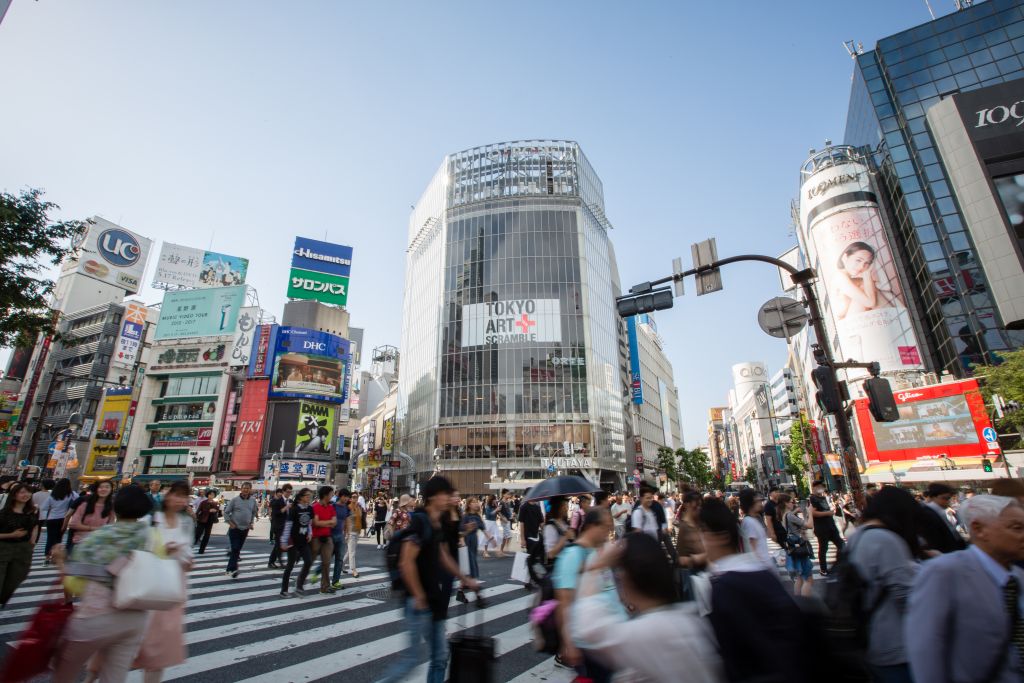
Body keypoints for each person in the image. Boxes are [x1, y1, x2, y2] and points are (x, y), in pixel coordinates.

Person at [573, 533, 725, 683]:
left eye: (619, 572)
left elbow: (591, 629)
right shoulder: (687, 618)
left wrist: (596, 566)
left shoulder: (649, 631)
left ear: (627, 577)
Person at [906, 495, 1024, 683]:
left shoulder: (1017, 576)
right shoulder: (944, 573)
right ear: (979, 529)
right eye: (1016, 528)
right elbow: (927, 649)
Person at [376, 476, 479, 683]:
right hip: (418, 601)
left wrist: (464, 578)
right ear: (433, 497)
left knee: (440, 656)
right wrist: (419, 595)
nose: (449, 498)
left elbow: (443, 555)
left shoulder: (435, 522)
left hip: (431, 598)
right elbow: (406, 562)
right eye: (445, 494)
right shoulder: (421, 521)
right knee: (411, 660)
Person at [698, 497, 810, 683]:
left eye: (703, 533)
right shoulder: (760, 572)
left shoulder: (725, 587)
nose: (700, 540)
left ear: (721, 537)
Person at [52, 485, 154, 683]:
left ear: (115, 506)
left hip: (96, 616)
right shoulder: (151, 537)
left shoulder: (100, 537)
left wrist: (60, 561)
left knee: (63, 674)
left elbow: (74, 585)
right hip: (135, 618)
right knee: (114, 678)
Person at [844, 487, 924, 683]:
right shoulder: (886, 539)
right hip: (896, 643)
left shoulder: (857, 535)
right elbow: (905, 595)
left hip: (869, 638)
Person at [133, 481, 195, 683]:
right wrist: (162, 552)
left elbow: (188, 553)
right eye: (176, 494)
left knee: (160, 646)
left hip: (172, 588)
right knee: (137, 642)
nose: (179, 500)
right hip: (146, 585)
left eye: (184, 496)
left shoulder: (185, 522)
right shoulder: (150, 520)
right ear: (167, 496)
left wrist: (187, 561)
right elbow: (135, 550)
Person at [553, 507, 614, 680]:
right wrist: (569, 643)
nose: (608, 532)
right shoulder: (573, 555)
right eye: (606, 527)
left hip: (606, 638)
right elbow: (564, 603)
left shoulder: (597, 552)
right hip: (588, 642)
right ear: (592, 526)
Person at [0, 483, 39, 606]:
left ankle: (3, 601)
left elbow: (35, 525)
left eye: (28, 492)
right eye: (22, 492)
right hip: (3, 547)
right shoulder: (4, 513)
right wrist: (11, 535)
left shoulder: (32, 512)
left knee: (16, 579)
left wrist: (33, 541)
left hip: (23, 549)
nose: (25, 495)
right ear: (14, 494)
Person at [777, 493, 814, 597]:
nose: (793, 503)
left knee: (800, 578)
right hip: (800, 548)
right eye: (791, 501)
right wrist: (810, 513)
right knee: (808, 579)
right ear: (786, 503)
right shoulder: (790, 515)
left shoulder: (784, 515)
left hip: (794, 549)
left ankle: (798, 602)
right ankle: (806, 605)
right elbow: (809, 525)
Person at [279, 487, 315, 597]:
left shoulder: (310, 508)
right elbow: (288, 525)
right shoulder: (294, 509)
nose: (309, 497)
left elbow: (309, 523)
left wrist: (310, 533)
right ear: (301, 497)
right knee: (290, 565)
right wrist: (284, 541)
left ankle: (299, 585)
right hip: (293, 540)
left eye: (310, 496)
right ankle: (284, 590)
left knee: (308, 561)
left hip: (304, 540)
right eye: (307, 496)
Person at [917, 482, 967, 555]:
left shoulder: (939, 511)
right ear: (933, 497)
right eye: (944, 498)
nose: (947, 501)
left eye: (948, 498)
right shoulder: (927, 514)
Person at [809, 480, 844, 575]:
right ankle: (823, 569)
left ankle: (841, 565)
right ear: (814, 488)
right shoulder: (813, 498)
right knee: (824, 549)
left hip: (831, 525)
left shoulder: (823, 497)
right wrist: (827, 513)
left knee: (841, 544)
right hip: (822, 528)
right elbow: (814, 513)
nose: (821, 488)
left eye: (822, 486)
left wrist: (830, 510)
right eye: (819, 486)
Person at [223, 482, 258, 578]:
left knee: (237, 549)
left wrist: (251, 523)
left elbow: (253, 512)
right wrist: (231, 524)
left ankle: (233, 569)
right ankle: (230, 569)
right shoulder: (234, 500)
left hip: (245, 529)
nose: (246, 490)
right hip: (235, 528)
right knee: (235, 548)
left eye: (248, 488)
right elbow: (226, 513)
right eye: (244, 488)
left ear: (250, 490)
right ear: (241, 489)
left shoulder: (253, 501)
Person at [68, 478, 114, 545]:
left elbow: (110, 527)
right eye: (100, 487)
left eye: (107, 487)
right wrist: (96, 529)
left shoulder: (111, 507)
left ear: (111, 490)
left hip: (99, 544)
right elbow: (73, 524)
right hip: (81, 543)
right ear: (96, 490)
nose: (104, 489)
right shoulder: (85, 505)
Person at [309, 486, 337, 594]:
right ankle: (299, 583)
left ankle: (325, 586)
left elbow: (334, 522)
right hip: (315, 538)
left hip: (327, 537)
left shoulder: (331, 507)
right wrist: (328, 522)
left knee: (326, 562)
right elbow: (316, 523)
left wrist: (324, 522)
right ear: (325, 495)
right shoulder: (315, 506)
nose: (332, 496)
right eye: (331, 494)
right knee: (309, 561)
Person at [40, 477, 75, 563]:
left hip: (51, 519)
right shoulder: (71, 494)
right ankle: (55, 557)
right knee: (59, 538)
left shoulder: (53, 495)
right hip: (63, 519)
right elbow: (76, 502)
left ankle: (47, 557)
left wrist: (52, 508)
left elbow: (44, 507)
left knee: (50, 538)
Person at [738, 489, 774, 570]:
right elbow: (752, 547)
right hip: (761, 567)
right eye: (758, 501)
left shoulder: (755, 519)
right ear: (751, 503)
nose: (761, 504)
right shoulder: (749, 522)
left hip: (764, 565)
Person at [518, 493, 544, 590]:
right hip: (528, 536)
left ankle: (529, 580)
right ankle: (527, 581)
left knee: (533, 559)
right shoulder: (524, 507)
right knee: (531, 558)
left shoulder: (537, 507)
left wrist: (546, 530)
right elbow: (522, 523)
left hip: (536, 535)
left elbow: (541, 522)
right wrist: (522, 538)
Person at [268, 484, 292, 568]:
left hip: (286, 527)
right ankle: (279, 562)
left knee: (279, 545)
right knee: (278, 545)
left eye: (290, 492)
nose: (289, 494)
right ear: (283, 492)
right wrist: (286, 508)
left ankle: (272, 561)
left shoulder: (290, 501)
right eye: (287, 492)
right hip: (278, 526)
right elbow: (275, 513)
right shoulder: (277, 501)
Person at [543, 496, 572, 567]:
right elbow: (550, 554)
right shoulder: (550, 526)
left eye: (567, 506)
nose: (566, 509)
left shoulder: (565, 523)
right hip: (557, 567)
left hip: (567, 564)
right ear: (558, 508)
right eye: (564, 506)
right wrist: (565, 537)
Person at [461, 497, 484, 582]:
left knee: (472, 557)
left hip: (474, 539)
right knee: (469, 559)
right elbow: (461, 529)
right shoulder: (465, 516)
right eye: (473, 502)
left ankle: (467, 579)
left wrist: (490, 538)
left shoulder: (477, 516)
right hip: (467, 538)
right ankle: (470, 579)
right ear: (469, 504)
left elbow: (483, 527)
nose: (476, 503)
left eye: (476, 502)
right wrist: (463, 541)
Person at [345, 491, 363, 577]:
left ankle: (341, 565)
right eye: (353, 497)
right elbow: (346, 521)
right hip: (350, 532)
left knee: (349, 552)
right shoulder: (348, 508)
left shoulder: (358, 507)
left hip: (357, 531)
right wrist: (346, 533)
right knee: (352, 552)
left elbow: (361, 517)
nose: (355, 498)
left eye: (356, 496)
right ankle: (353, 570)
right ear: (350, 498)